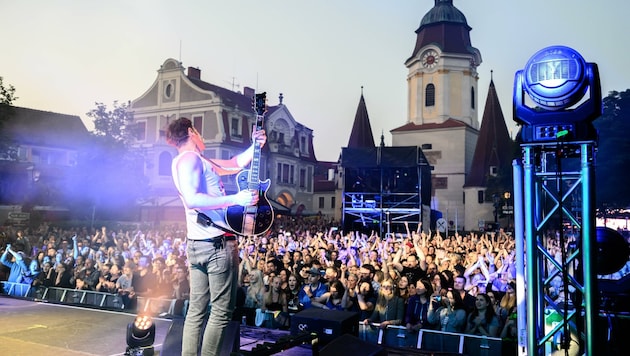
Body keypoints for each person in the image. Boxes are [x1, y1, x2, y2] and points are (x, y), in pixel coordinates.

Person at [167, 116, 266, 356]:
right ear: (191, 132)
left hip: (199, 244)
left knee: (197, 311)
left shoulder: (196, 160)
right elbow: (192, 199)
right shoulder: (190, 159)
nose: (203, 137)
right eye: (199, 132)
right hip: (216, 246)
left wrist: (255, 146)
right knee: (221, 311)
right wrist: (236, 199)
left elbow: (233, 164)